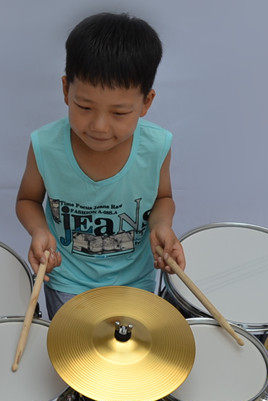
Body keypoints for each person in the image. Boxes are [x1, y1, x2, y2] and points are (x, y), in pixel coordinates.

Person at [16, 12, 185, 318]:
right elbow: (27, 200)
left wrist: (162, 226)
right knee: (72, 350)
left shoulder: (156, 146)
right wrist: (39, 231)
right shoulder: (46, 146)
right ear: (66, 90)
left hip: (135, 282)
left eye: (119, 113)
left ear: (146, 102)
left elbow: (163, 197)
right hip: (68, 281)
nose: (99, 126)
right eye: (84, 107)